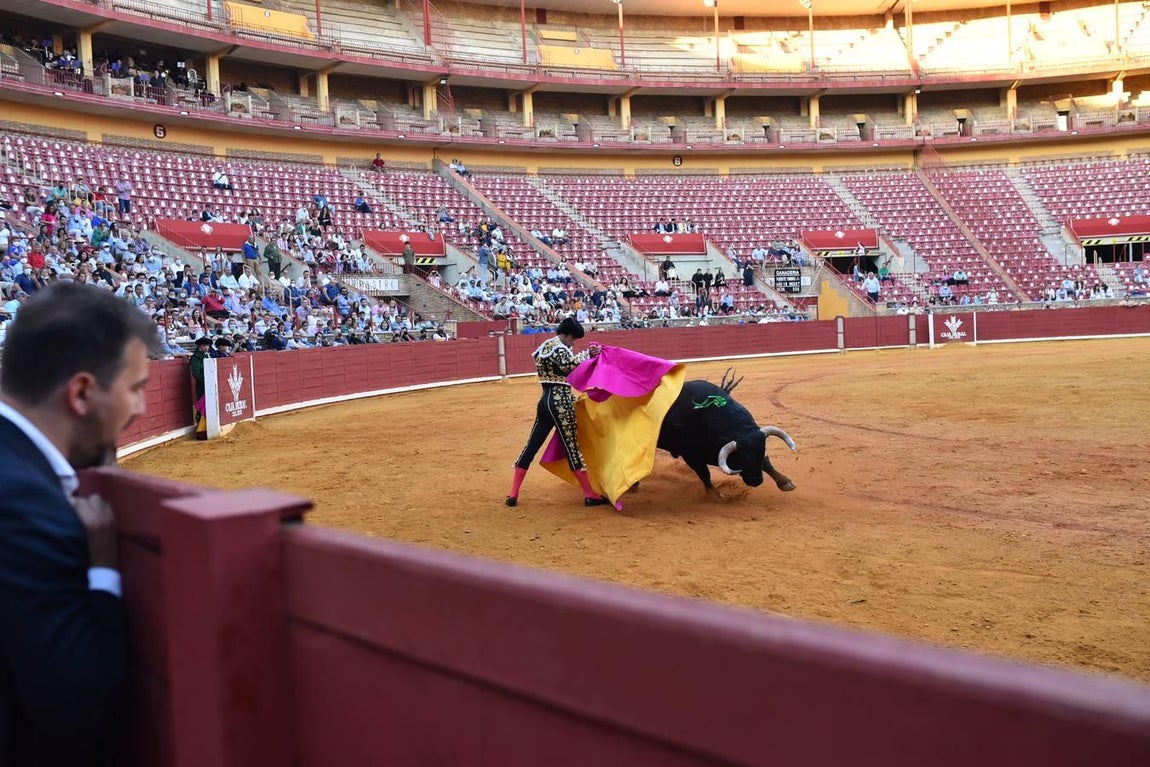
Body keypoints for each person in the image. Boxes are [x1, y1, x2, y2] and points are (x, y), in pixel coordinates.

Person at [0, 281, 160, 765]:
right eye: (134, 389)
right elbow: (80, 719)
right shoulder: (27, 506)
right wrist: (104, 574)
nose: (142, 409)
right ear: (83, 391)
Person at [506, 317, 607, 508]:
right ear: (566, 334)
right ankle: (589, 494)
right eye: (573, 339)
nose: (573, 343)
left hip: (544, 401)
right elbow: (570, 368)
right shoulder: (559, 348)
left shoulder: (545, 346)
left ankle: (513, 494)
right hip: (560, 401)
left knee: (531, 446)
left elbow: (566, 364)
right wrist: (589, 355)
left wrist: (585, 354)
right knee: (572, 448)